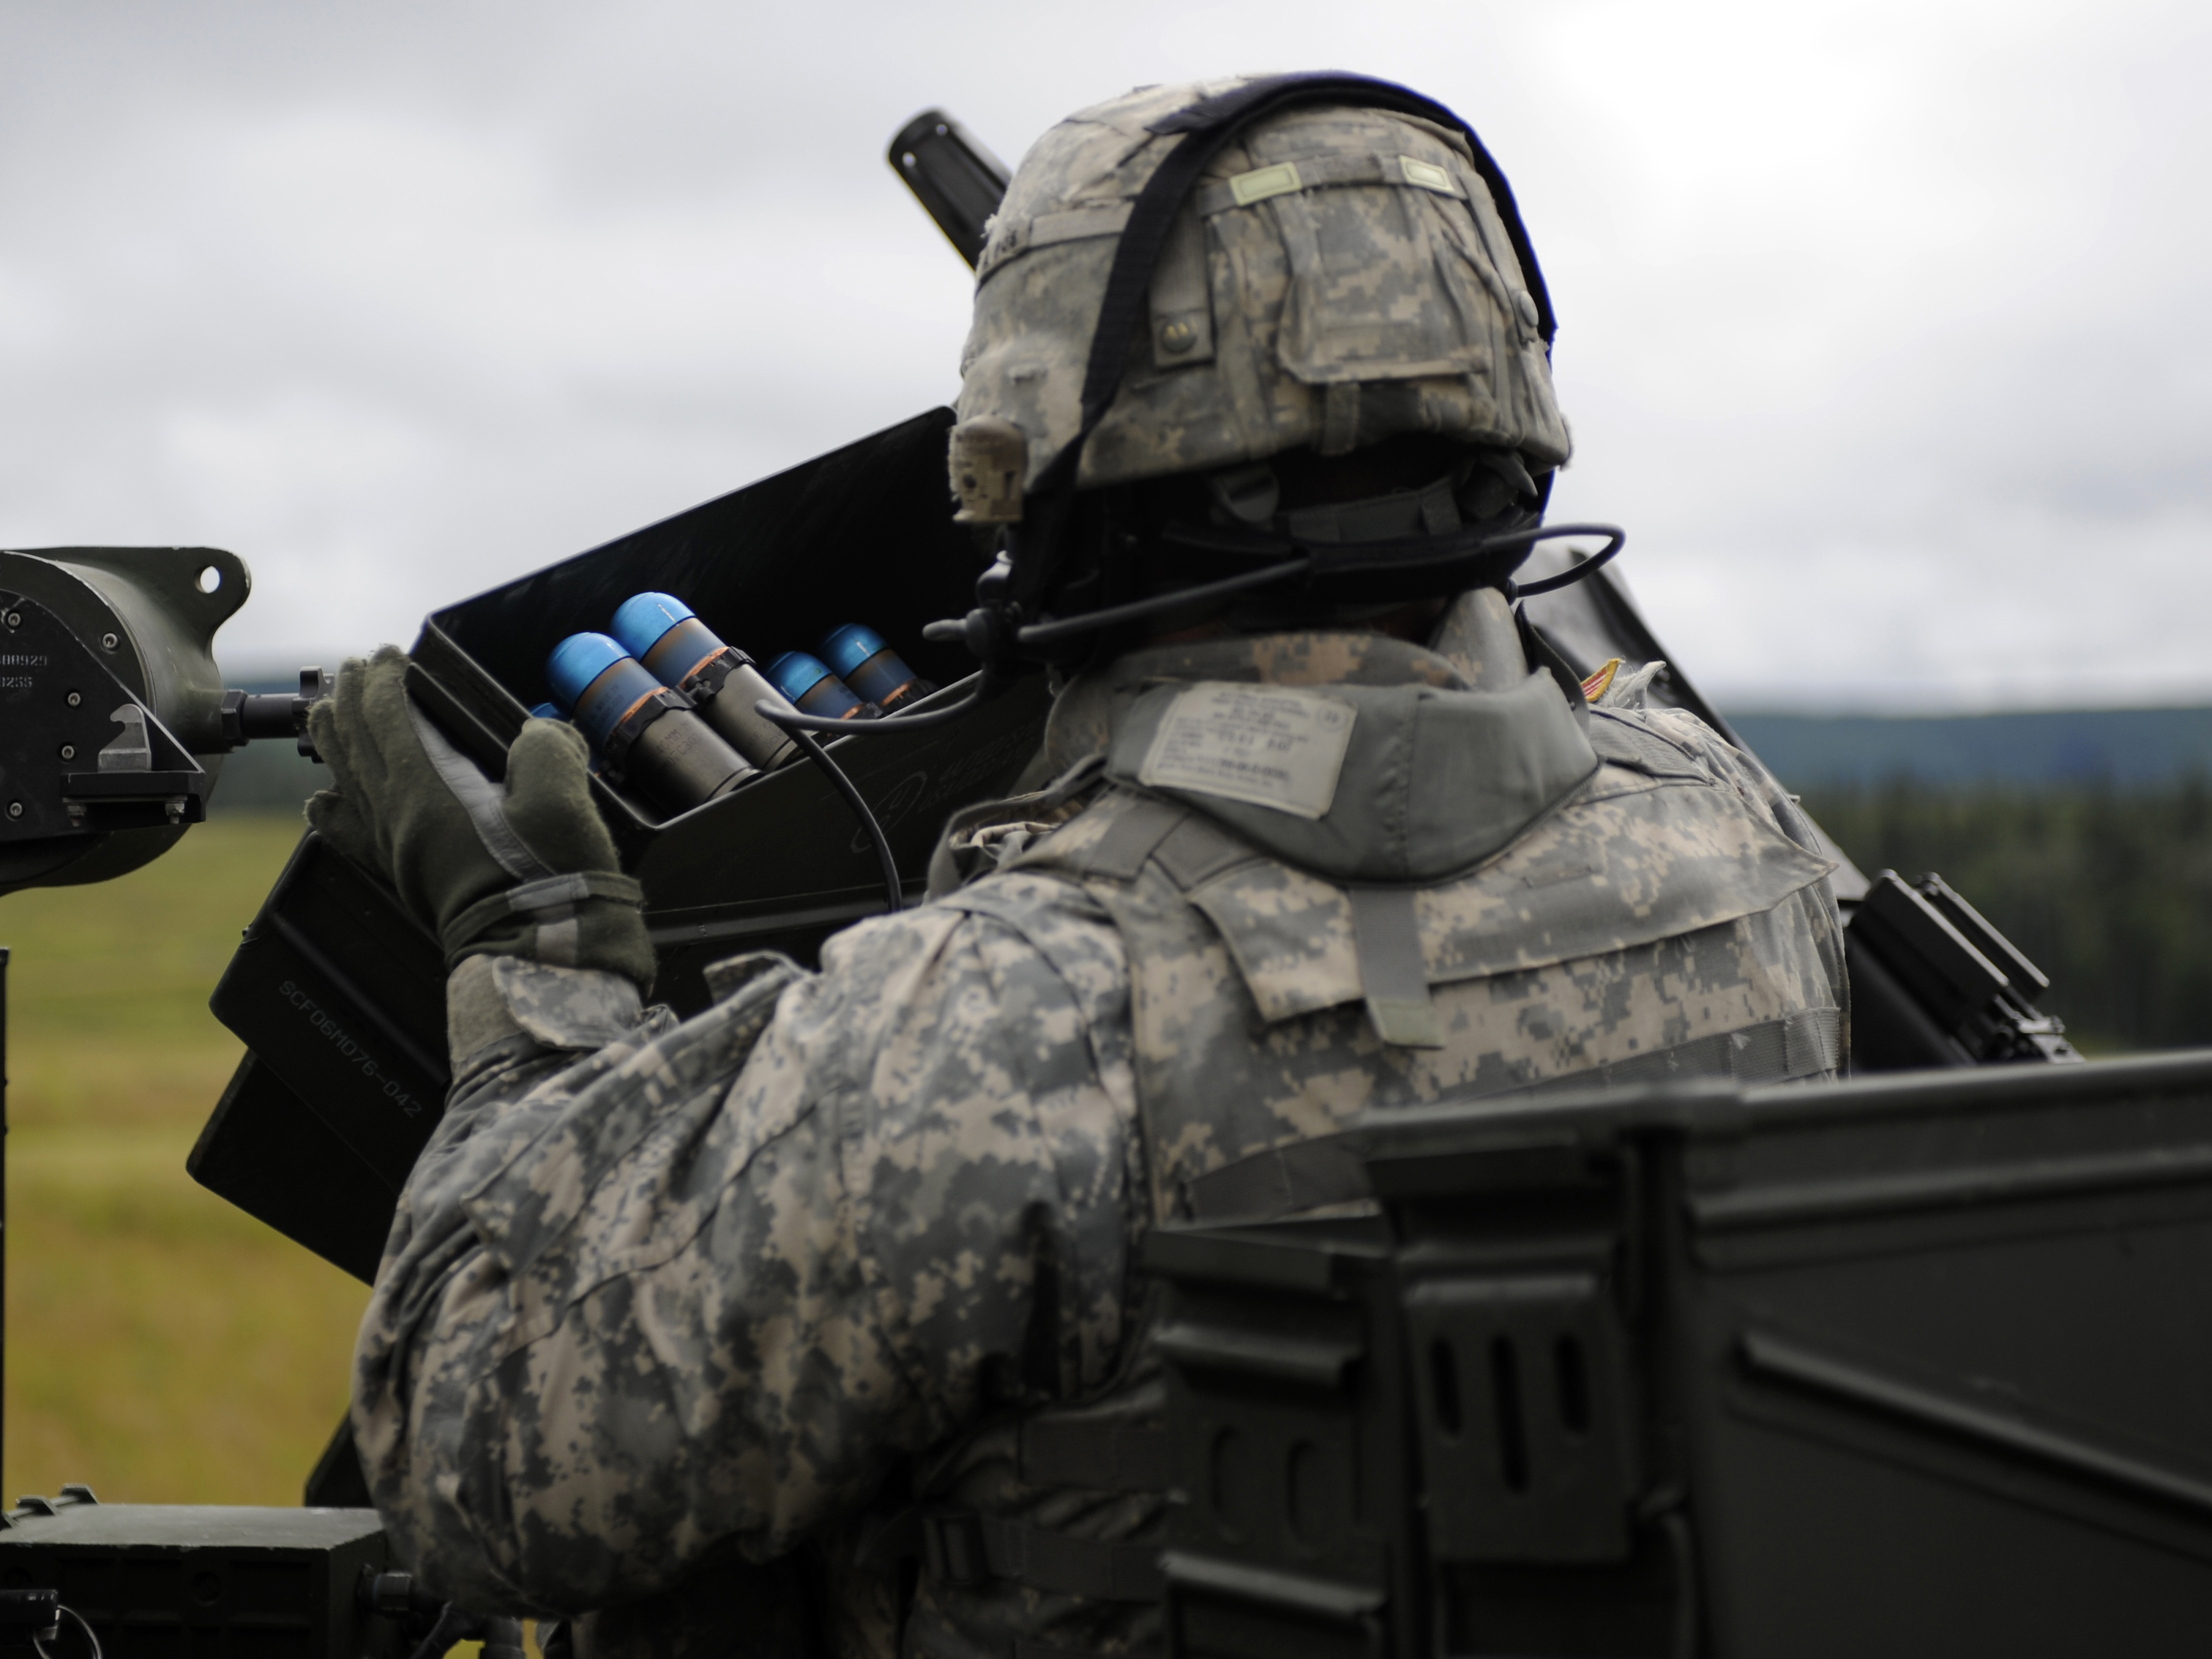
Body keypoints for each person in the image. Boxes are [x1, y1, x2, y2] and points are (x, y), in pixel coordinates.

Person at [313, 73, 1849, 1659]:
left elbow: (479, 1461)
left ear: (1050, 496)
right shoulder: (1742, 843)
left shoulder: (1012, 1017)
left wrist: (537, 969)